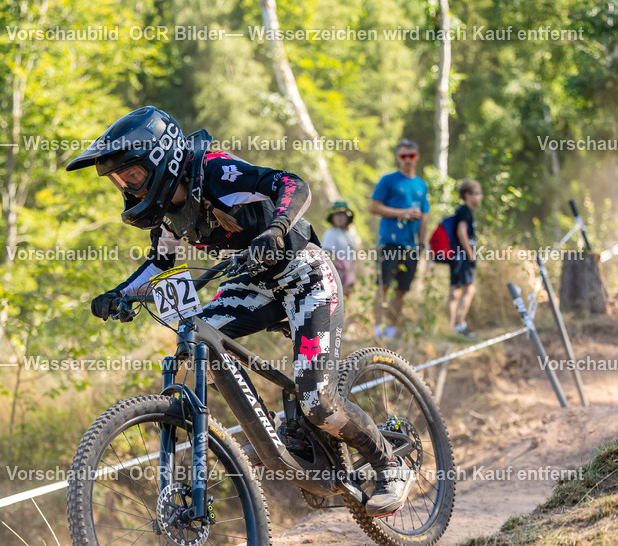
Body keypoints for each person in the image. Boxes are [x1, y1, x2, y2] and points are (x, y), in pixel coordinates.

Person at [69, 107, 414, 517]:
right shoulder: (166, 216)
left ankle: (387, 464)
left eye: (132, 175)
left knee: (318, 401)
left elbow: (293, 184)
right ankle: (274, 430)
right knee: (196, 338)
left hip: (304, 274)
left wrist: (276, 228)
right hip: (250, 282)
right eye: (119, 180)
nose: (128, 187)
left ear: (160, 158)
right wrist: (119, 294)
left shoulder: (215, 172)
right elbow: (160, 265)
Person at [368, 139, 429, 341]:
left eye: (411, 156)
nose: (407, 160)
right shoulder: (388, 180)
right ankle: (376, 330)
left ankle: (391, 332)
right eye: (403, 156)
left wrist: (422, 242)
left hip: (411, 246)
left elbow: (424, 215)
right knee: (383, 286)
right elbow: (374, 207)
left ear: (417, 157)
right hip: (390, 242)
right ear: (398, 158)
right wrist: (401, 213)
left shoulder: (421, 185)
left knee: (401, 290)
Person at [447, 179, 482, 339]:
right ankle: (459, 324)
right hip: (462, 256)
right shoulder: (465, 211)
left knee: (455, 290)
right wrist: (470, 253)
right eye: (477, 194)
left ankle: (451, 327)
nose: (480, 197)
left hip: (455, 255)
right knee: (469, 288)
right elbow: (462, 233)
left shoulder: (461, 211)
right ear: (468, 195)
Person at [320, 201, 362, 298]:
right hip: (335, 276)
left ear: (348, 217)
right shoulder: (330, 234)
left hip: (348, 275)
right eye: (337, 215)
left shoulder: (349, 235)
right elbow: (327, 255)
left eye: (343, 215)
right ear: (332, 217)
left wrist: (350, 275)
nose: (340, 218)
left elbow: (352, 256)